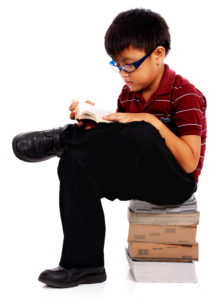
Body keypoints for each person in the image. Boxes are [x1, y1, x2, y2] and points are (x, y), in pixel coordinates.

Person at [12, 8, 207, 288]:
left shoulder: (185, 94)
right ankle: (84, 265)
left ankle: (63, 138)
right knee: (74, 160)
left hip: (174, 183)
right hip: (140, 173)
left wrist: (150, 120)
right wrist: (94, 122)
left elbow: (189, 162)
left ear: (158, 54)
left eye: (129, 64)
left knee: (143, 131)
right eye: (117, 65)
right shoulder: (128, 94)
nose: (123, 74)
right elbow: (120, 146)